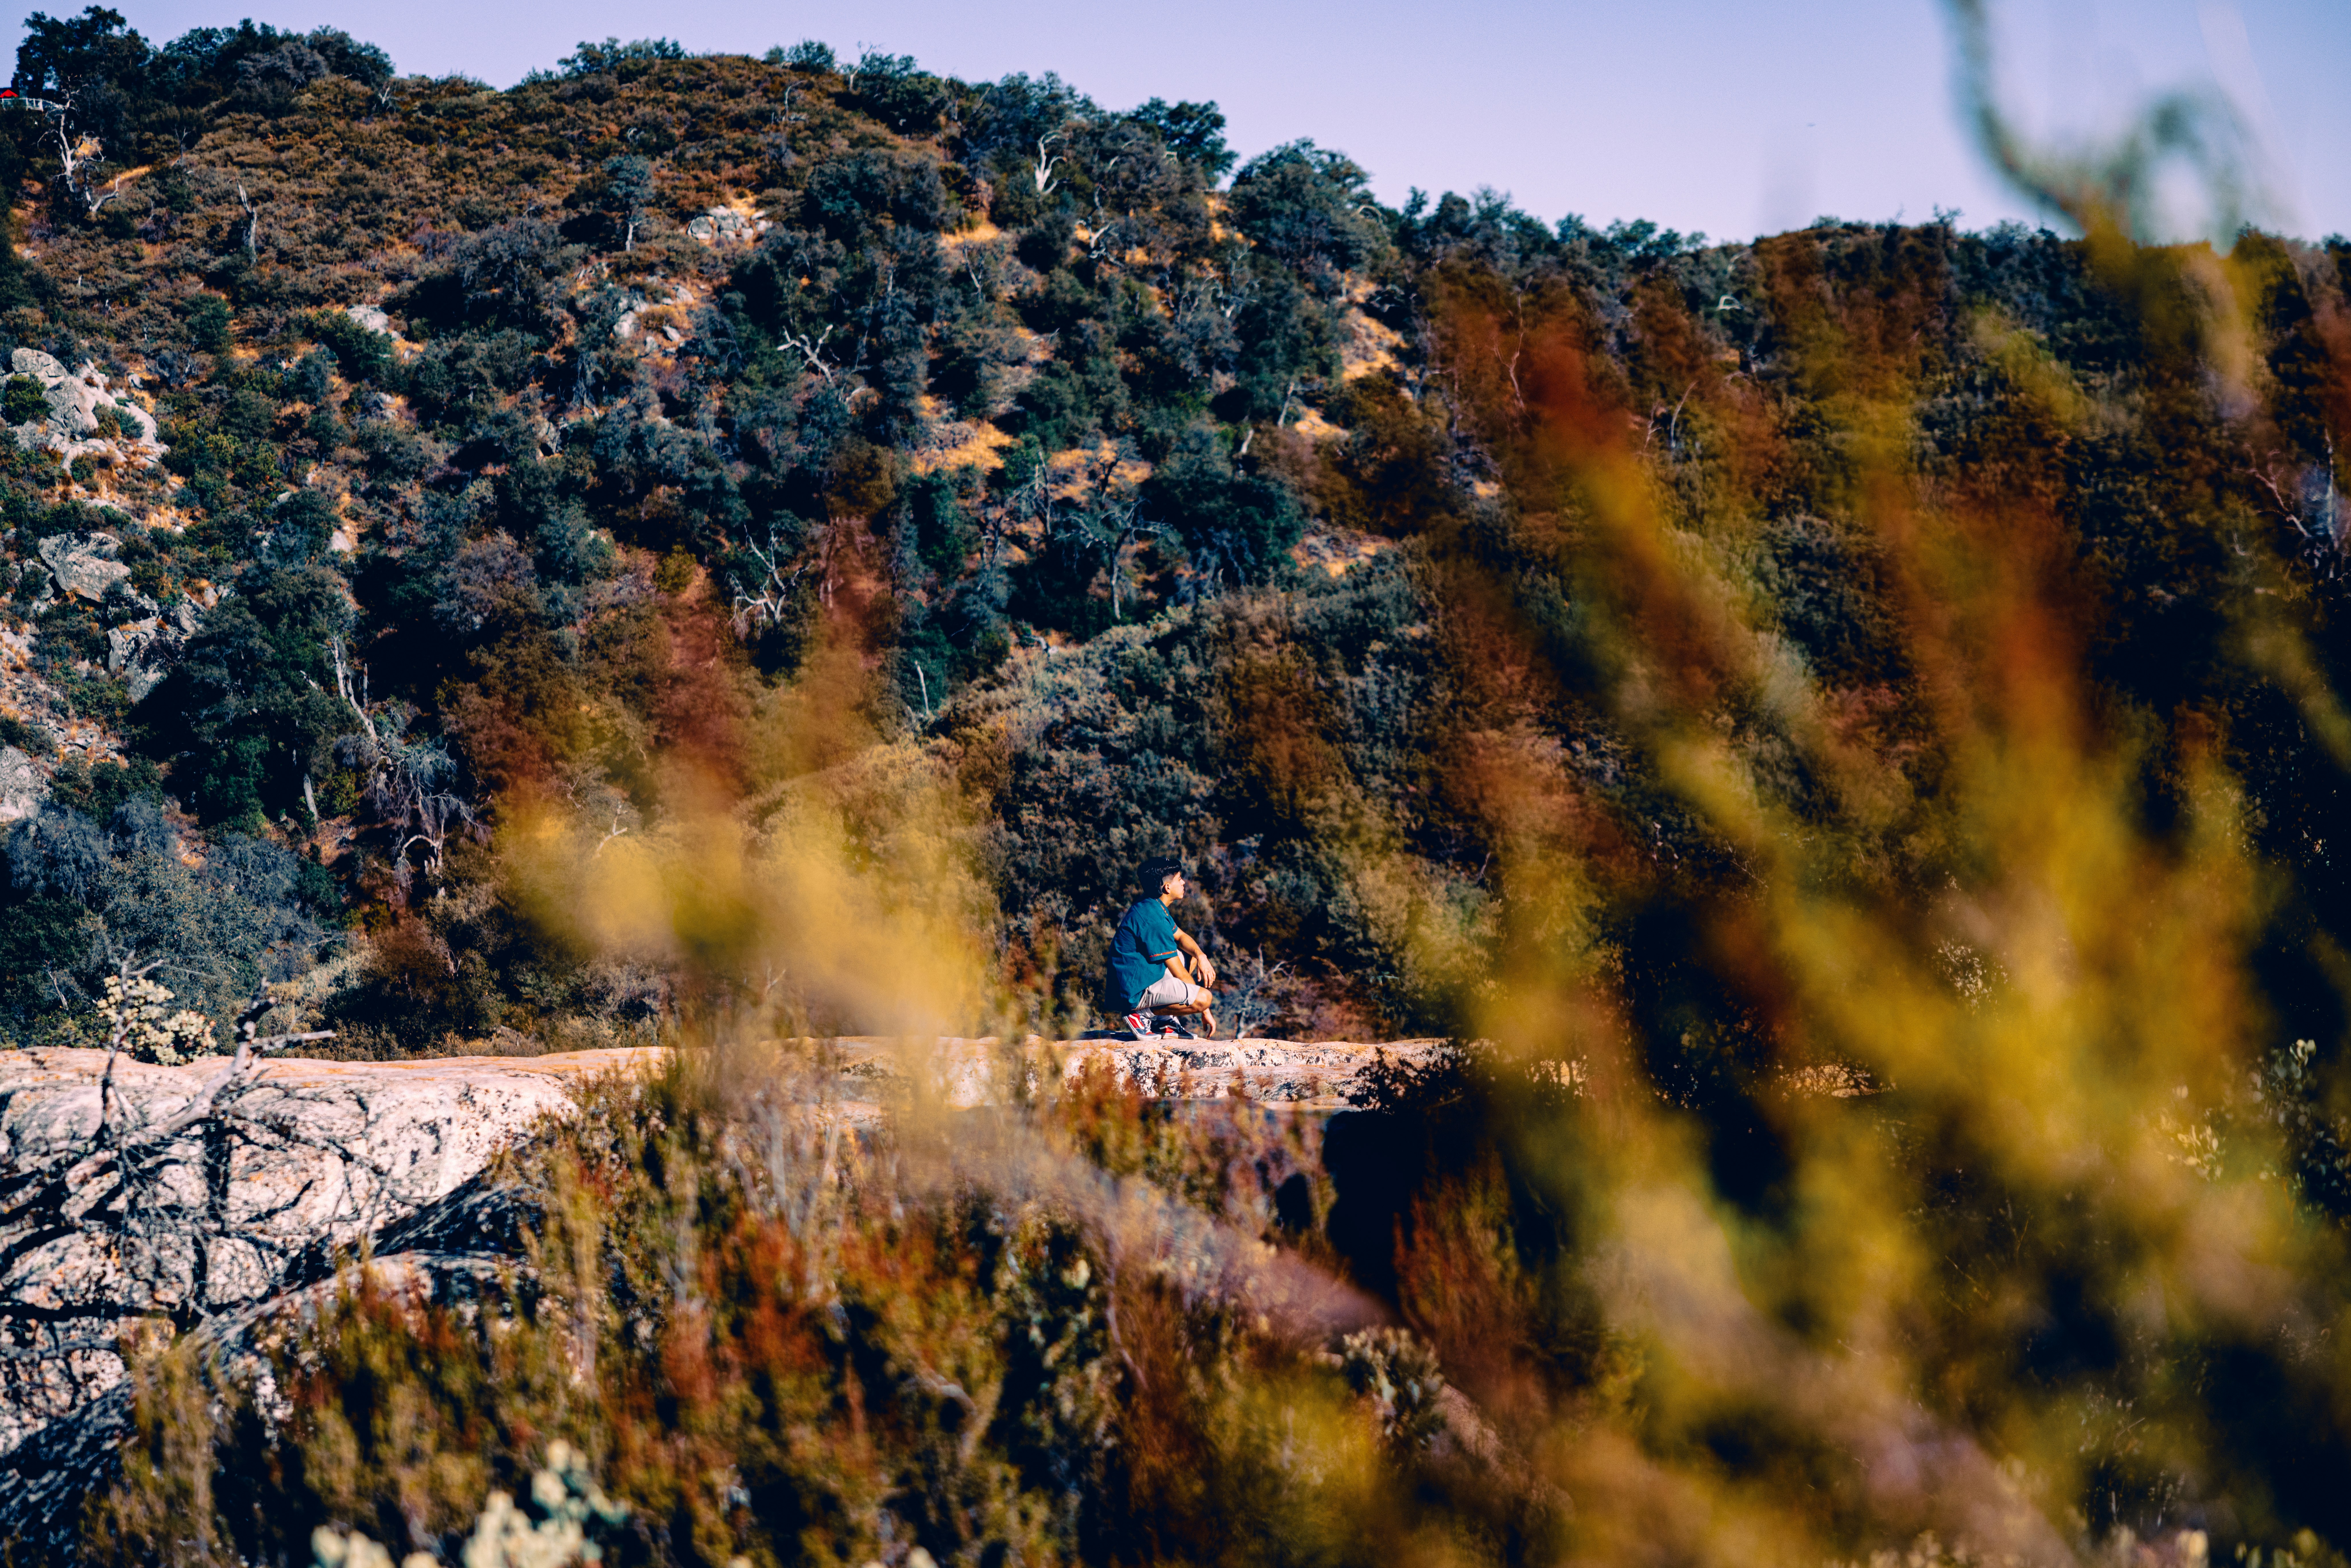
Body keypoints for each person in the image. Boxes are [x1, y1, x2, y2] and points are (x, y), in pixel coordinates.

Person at [1105, 855, 1219, 1040]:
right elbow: (1179, 973)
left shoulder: (1154, 905)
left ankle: (1163, 1021)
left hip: (1143, 975)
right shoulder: (1153, 919)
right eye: (1179, 879)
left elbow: (1181, 937)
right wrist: (1204, 1010)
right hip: (1134, 991)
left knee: (1191, 957)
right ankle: (1141, 1014)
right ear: (1167, 888)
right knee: (1204, 998)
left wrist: (1201, 956)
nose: (1184, 883)